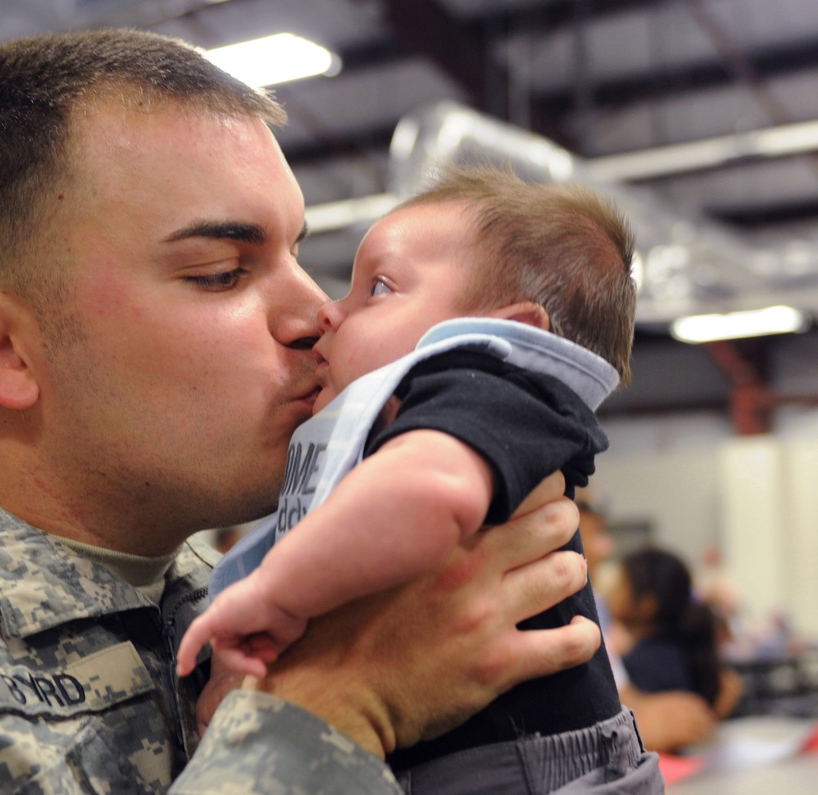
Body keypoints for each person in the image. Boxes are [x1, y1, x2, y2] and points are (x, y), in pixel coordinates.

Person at [0, 29, 603, 794]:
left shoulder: (237, 595)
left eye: (296, 251)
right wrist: (334, 706)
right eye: (223, 272)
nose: (319, 313)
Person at [178, 165, 663, 792]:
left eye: (377, 288)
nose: (328, 311)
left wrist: (274, 595)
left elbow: (429, 494)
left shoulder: (488, 386)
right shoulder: (410, 425)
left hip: (537, 770)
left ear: (502, 333)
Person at [576, 493, 722, 752]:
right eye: (594, 534)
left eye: (621, 583)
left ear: (646, 605)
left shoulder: (594, 607)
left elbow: (622, 697)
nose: (605, 548)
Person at [607, 546, 744, 726]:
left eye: (620, 584)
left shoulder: (639, 664)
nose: (611, 591)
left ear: (648, 605)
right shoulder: (689, 650)